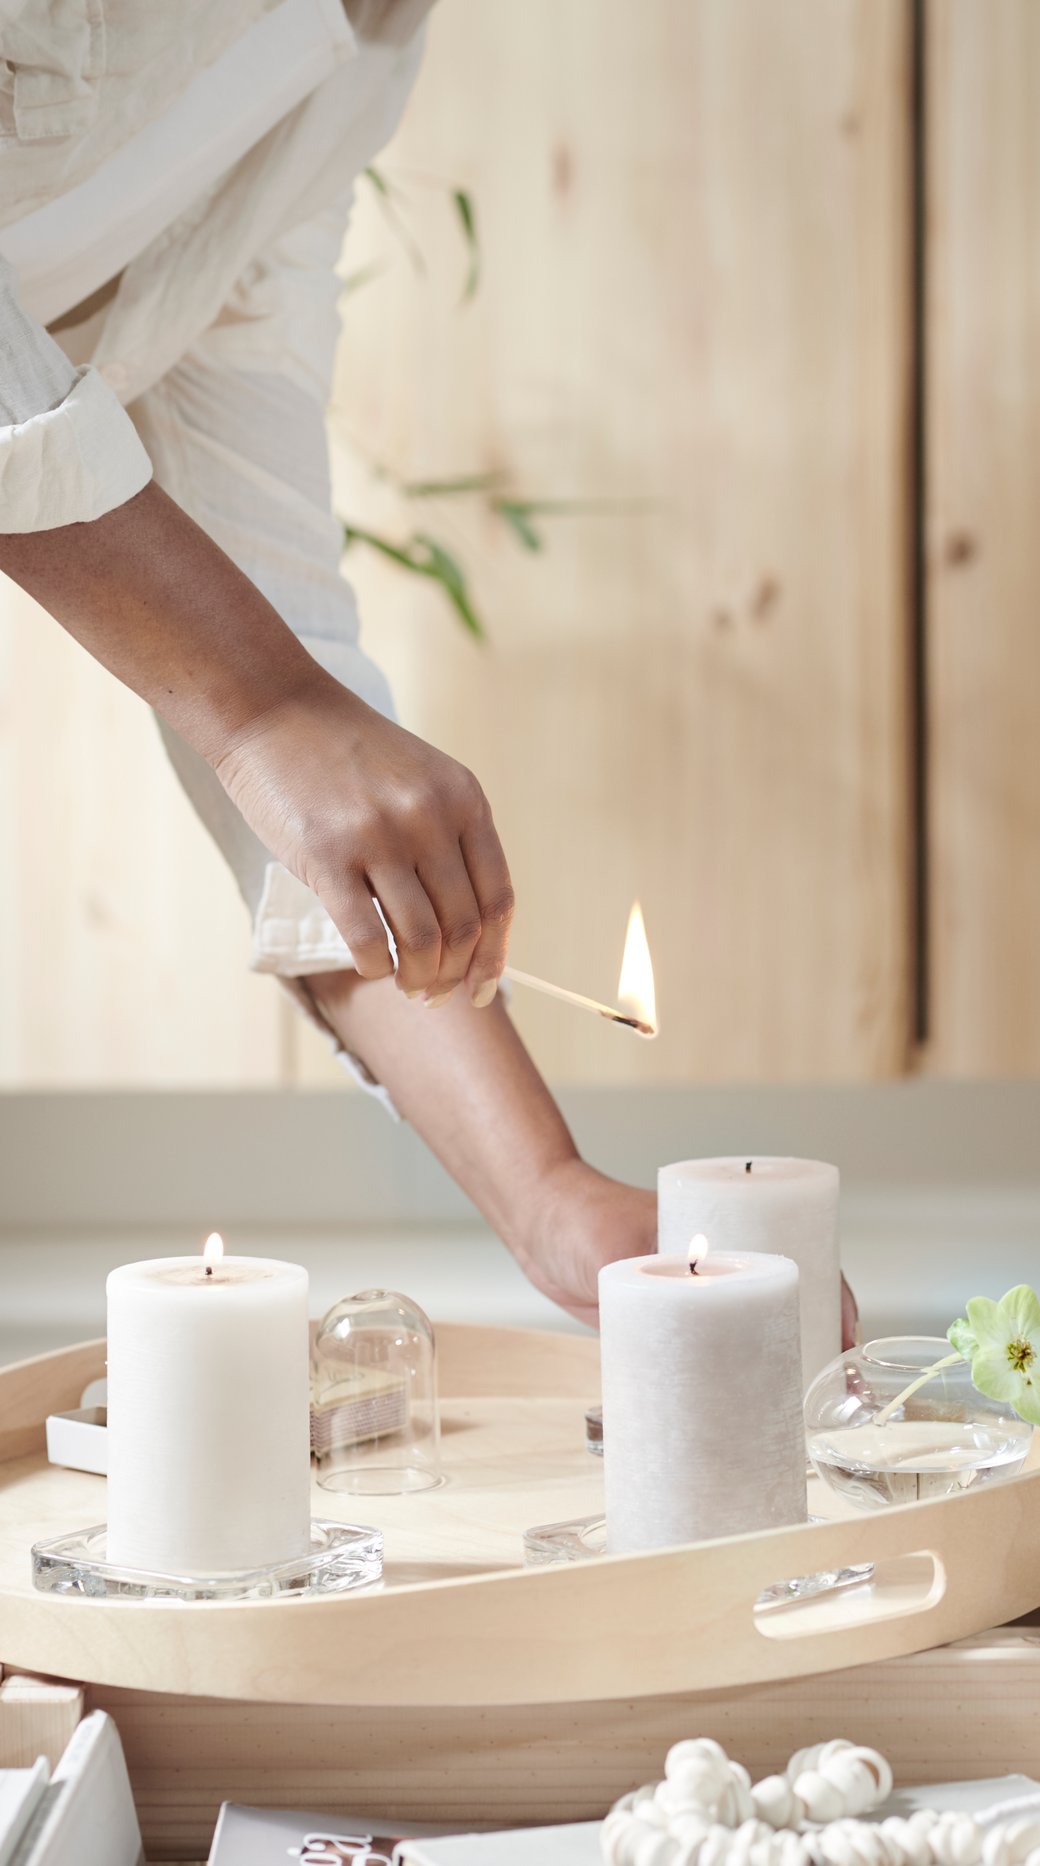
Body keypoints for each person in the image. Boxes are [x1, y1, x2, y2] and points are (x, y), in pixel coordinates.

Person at [0, 0, 855, 1343]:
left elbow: (260, 600)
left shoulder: (364, 45)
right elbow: (262, 695)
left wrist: (549, 1192)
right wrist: (262, 704)